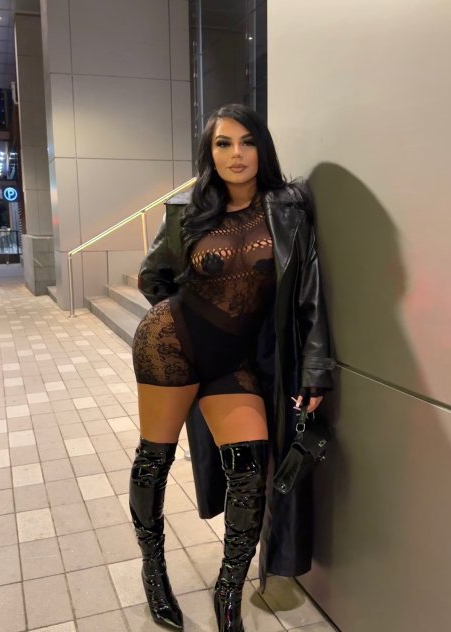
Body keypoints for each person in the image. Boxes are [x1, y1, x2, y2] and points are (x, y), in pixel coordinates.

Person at [129, 103, 335, 631]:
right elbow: (152, 276)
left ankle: (228, 592)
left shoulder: (289, 208)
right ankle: (154, 570)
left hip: (236, 361)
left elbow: (309, 295)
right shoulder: (188, 211)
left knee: (250, 474)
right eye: (223, 143)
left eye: (247, 142)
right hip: (171, 346)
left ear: (262, 148)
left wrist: (315, 368)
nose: (236, 154)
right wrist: (187, 319)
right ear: (210, 153)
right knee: (155, 459)